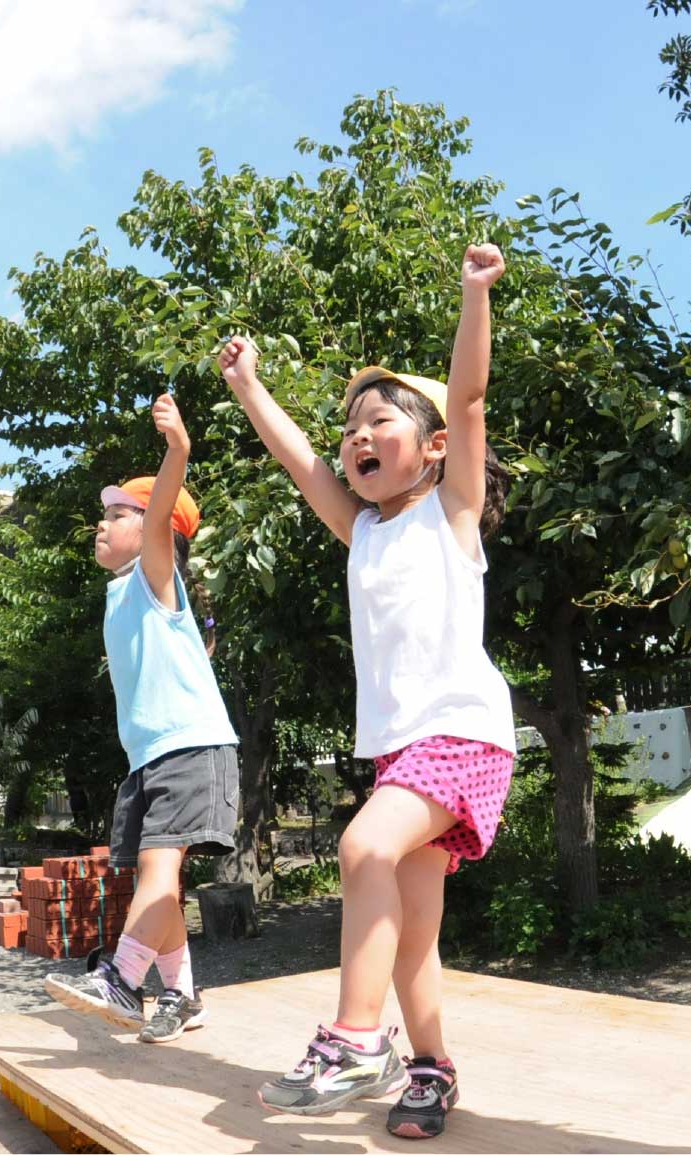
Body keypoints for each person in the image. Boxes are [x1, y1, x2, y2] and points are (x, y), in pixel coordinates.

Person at [221, 245, 516, 1141]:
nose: (356, 438)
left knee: (360, 846)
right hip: (403, 746)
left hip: (463, 731)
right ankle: (430, 1067)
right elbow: (296, 456)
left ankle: (355, 1038)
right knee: (414, 931)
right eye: (351, 428)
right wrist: (246, 388)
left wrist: (473, 295)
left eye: (378, 420)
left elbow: (466, 398)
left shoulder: (449, 510)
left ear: (430, 450)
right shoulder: (362, 532)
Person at [43, 394, 242, 1047]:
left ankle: (125, 980)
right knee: (159, 873)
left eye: (117, 514)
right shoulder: (123, 587)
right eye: (103, 515)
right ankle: (180, 992)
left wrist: (177, 450)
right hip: (152, 757)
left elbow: (162, 518)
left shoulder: (158, 576)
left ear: (156, 529)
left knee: (159, 866)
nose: (101, 525)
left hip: (189, 747)